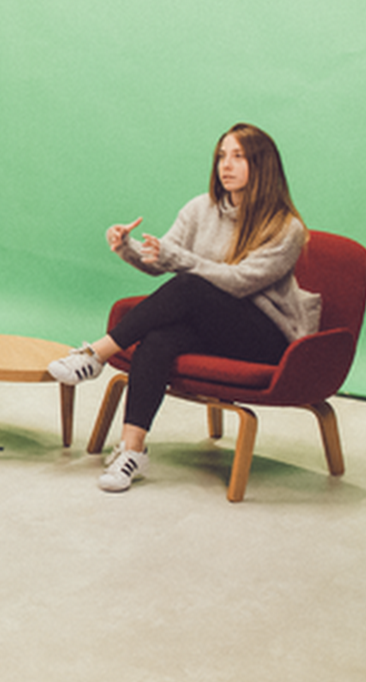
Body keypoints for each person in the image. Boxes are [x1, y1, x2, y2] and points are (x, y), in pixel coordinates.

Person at [48, 123, 320, 493]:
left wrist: (180, 259)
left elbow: (239, 282)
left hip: (266, 336)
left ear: (263, 165)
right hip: (214, 325)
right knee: (157, 339)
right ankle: (132, 451)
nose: (226, 165)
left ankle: (95, 354)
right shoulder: (201, 208)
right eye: (222, 156)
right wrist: (127, 247)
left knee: (191, 284)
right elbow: (163, 262)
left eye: (238, 157)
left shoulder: (285, 228)